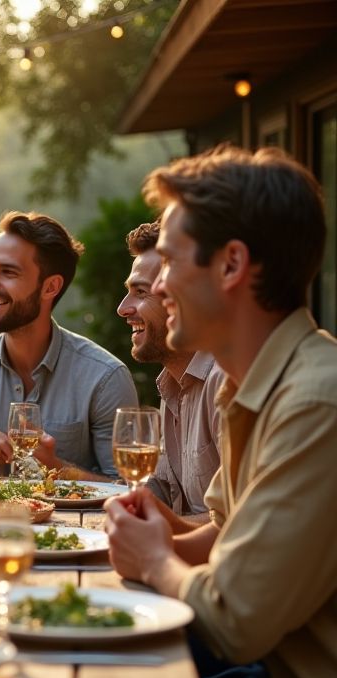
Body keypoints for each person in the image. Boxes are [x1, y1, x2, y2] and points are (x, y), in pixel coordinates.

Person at [104, 145, 337, 678]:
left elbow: (233, 623)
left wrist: (156, 563)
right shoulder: (250, 384)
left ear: (232, 265)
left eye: (171, 262)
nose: (155, 285)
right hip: (272, 671)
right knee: (82, 665)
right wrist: (155, 544)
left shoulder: (316, 403)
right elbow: (227, 532)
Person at [0, 210, 138, 479]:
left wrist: (55, 466)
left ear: (50, 287)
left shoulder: (104, 378)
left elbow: (128, 488)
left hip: (73, 523)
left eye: (8, 271)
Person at [117, 221, 225, 526]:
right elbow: (164, 492)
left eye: (141, 292)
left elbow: (241, 526)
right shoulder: (171, 383)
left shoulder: (223, 382)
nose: (123, 309)